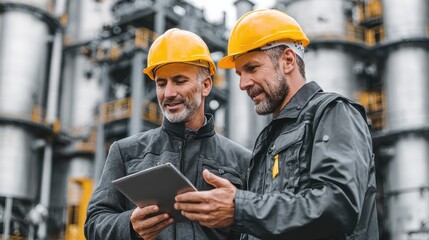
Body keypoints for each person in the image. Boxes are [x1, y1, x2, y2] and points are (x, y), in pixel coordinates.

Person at [174, 9, 379, 240]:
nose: (242, 84)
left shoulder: (333, 112)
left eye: (252, 68)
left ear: (288, 61)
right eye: (240, 73)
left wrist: (240, 208)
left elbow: (336, 208)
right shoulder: (268, 139)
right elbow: (266, 220)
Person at [84, 28, 251, 240]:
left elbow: (255, 230)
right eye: (161, 83)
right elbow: (94, 224)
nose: (169, 93)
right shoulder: (126, 152)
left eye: (179, 81)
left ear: (206, 85)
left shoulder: (242, 161)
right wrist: (130, 226)